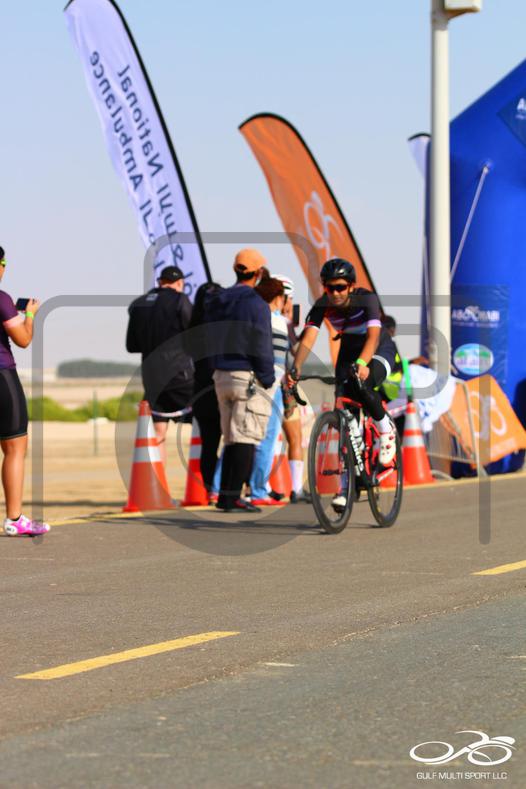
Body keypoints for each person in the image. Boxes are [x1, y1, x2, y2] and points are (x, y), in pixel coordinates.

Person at [289, 258, 397, 511]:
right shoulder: (322, 305)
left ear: (351, 286)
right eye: (330, 288)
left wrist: (362, 363)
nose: (335, 293)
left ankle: (385, 429)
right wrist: (296, 367)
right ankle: (347, 486)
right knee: (345, 418)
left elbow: (373, 336)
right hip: (348, 348)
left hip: (378, 348)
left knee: (362, 384)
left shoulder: (366, 299)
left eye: (340, 287)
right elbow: (309, 338)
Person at [209, 248, 275, 513]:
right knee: (246, 437)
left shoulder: (218, 300)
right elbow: (261, 343)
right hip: (245, 374)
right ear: (258, 273)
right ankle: (234, 497)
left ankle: (225, 496)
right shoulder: (256, 303)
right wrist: (267, 377)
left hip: (220, 375)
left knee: (230, 438)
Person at [0, 246, 50, 536]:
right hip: (2, 376)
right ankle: (15, 518)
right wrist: (30, 315)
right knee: (14, 447)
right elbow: (23, 339)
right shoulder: (2, 299)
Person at [126, 266, 194, 465]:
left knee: (157, 433)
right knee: (204, 424)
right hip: (181, 378)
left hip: (151, 379)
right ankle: (205, 480)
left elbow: (131, 346)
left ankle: (157, 483)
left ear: (160, 282)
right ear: (179, 283)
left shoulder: (138, 304)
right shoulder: (180, 300)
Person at [249, 277, 288, 505]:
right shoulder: (276, 320)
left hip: (260, 380)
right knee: (267, 438)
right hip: (271, 383)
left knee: (243, 436)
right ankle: (258, 490)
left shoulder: (258, 317)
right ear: (279, 298)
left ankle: (218, 487)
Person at [273, 273, 311, 504]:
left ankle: (258, 487)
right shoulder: (282, 322)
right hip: (284, 385)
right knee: (294, 437)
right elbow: (296, 352)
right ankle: (296, 488)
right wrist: (309, 330)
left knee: (263, 439)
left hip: (265, 383)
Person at [187, 282, 223, 500]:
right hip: (221, 388)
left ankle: (211, 488)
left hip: (200, 391)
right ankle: (231, 486)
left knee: (208, 445)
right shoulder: (222, 328)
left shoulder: (193, 330)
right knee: (234, 441)